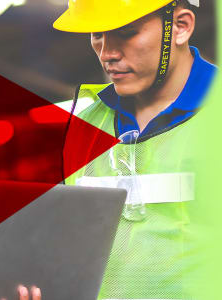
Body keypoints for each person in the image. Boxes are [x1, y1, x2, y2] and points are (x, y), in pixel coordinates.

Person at [55, 0, 215, 299]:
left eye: (126, 32)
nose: (107, 54)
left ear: (181, 26)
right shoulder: (83, 127)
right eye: (97, 35)